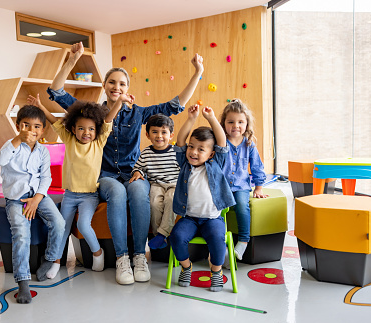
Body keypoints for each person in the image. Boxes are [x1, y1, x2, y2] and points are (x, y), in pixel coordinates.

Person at [47, 41, 203, 285]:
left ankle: (140, 256)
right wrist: (71, 60)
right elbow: (56, 92)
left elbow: (175, 105)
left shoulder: (138, 112)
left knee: (140, 192)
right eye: (112, 82)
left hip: (133, 172)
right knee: (117, 193)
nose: (116, 87)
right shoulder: (92, 113)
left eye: (122, 83)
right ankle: (122, 258)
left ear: (128, 88)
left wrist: (198, 73)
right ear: (104, 85)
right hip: (105, 175)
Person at [27, 93, 131, 278]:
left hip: (89, 195)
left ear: (96, 130)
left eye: (90, 129)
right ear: (73, 129)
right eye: (81, 128)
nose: (86, 133)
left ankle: (97, 253)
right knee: (62, 228)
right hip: (70, 195)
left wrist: (120, 102)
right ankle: (56, 263)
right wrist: (40, 106)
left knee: (83, 224)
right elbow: (54, 121)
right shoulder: (69, 139)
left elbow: (108, 120)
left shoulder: (98, 142)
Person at [0, 105, 66, 304]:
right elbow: (0, 160)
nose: (31, 131)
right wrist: (17, 140)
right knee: (21, 232)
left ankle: (49, 259)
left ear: (42, 130)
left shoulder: (43, 151)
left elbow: (46, 177)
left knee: (59, 223)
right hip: (16, 199)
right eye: (26, 125)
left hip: (38, 196)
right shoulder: (12, 145)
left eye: (36, 127)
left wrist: (37, 199)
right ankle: (23, 281)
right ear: (18, 126)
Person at [168, 104, 235, 292]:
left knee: (217, 240)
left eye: (201, 149)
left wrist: (211, 118)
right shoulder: (185, 164)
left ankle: (216, 272)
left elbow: (222, 142)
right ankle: (186, 267)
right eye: (192, 147)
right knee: (176, 237)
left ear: (211, 154)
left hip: (212, 219)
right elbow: (180, 141)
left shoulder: (216, 163)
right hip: (189, 217)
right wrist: (190, 119)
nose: (194, 152)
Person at [219, 99, 267, 262]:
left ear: (246, 124)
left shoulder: (249, 144)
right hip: (221, 186)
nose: (235, 126)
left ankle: (243, 240)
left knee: (242, 206)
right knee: (215, 211)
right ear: (224, 123)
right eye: (230, 122)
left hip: (241, 186)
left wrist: (258, 187)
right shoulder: (221, 142)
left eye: (240, 122)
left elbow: (257, 166)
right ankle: (219, 243)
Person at [130, 114, 179, 250]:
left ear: (171, 135)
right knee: (154, 203)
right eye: (155, 132)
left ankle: (162, 234)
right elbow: (138, 168)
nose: (159, 136)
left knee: (171, 199)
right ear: (147, 135)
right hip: (156, 184)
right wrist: (137, 172)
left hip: (174, 185)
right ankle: (158, 235)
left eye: (164, 132)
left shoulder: (176, 152)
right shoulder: (146, 153)